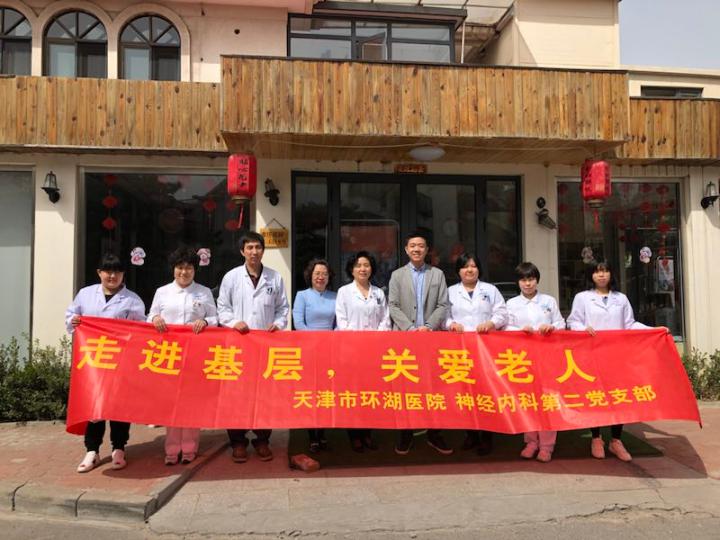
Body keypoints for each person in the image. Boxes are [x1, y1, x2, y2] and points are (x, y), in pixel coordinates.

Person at [65, 253, 146, 473]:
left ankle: (119, 448)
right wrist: (74, 321)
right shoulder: (85, 294)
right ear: (99, 273)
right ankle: (92, 450)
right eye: (108, 271)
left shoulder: (132, 300)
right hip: (93, 361)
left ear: (123, 274)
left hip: (121, 362)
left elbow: (141, 328)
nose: (112, 276)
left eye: (117, 272)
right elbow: (71, 316)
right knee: (94, 405)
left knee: (119, 406)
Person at [567, 260, 650, 462]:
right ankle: (596, 438)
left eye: (605, 271)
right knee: (595, 396)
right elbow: (573, 321)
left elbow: (630, 324)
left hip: (617, 356)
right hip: (592, 354)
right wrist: (583, 328)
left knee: (618, 397)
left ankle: (616, 440)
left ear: (611, 274)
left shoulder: (621, 298)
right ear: (591, 275)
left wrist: (654, 330)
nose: (601, 275)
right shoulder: (582, 297)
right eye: (597, 272)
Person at [217, 231, 289, 463]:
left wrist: (278, 324)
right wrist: (232, 322)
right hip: (238, 345)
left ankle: (262, 439)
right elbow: (222, 308)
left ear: (263, 250)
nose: (254, 252)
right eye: (249, 248)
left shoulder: (274, 277)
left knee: (264, 394)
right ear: (242, 251)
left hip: (265, 346)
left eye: (258, 247)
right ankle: (238, 441)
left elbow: (283, 308)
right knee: (236, 395)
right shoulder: (231, 277)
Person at [148, 247, 218, 465]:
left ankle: (189, 448)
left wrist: (204, 321)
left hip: (195, 355)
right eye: (180, 267)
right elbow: (151, 315)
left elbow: (215, 318)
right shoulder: (162, 292)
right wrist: (155, 319)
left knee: (191, 401)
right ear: (173, 269)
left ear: (195, 270)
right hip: (169, 355)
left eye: (188, 268)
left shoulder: (204, 292)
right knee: (171, 402)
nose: (184, 272)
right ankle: (171, 449)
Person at [388, 232, 451, 456]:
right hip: (404, 341)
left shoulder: (437, 274)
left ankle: (434, 433)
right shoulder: (397, 275)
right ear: (406, 250)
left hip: (430, 340)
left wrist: (429, 326)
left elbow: (443, 304)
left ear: (427, 250)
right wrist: (410, 328)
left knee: (433, 387)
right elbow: (393, 305)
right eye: (412, 246)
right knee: (405, 388)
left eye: (421, 246)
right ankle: (405, 434)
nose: (416, 249)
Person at [446, 252, 508, 455]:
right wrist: (451, 324)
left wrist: (491, 323)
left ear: (479, 269)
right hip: (460, 349)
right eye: (465, 266)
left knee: (487, 391)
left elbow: (502, 313)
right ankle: (471, 434)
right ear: (459, 271)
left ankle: (487, 436)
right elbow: (443, 316)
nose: (469, 270)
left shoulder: (490, 290)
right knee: (466, 392)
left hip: (486, 348)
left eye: (473, 266)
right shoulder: (450, 292)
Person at [505, 262, 565, 463]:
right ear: (518, 282)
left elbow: (561, 323)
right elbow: (505, 328)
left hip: (547, 357)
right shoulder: (511, 304)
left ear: (537, 280)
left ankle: (547, 445)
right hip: (522, 359)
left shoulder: (548, 301)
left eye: (531, 279)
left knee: (547, 400)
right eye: (523, 280)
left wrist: (551, 327)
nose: (527, 283)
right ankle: (531, 442)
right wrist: (521, 331)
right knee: (527, 400)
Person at [335, 251, 390, 452]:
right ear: (352, 269)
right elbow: (341, 321)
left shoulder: (379, 293)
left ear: (371, 269)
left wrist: (376, 339)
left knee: (371, 393)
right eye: (358, 265)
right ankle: (354, 435)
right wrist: (358, 340)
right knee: (353, 393)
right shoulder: (344, 292)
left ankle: (367, 433)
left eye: (366, 265)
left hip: (374, 352)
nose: (362, 269)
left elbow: (385, 319)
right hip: (352, 351)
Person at [293, 258, 337, 453]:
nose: (320, 277)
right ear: (310, 276)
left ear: (329, 277)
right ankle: (312, 435)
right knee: (311, 393)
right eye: (317, 273)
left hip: (330, 350)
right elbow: (298, 322)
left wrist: (332, 337)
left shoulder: (336, 296)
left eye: (324, 274)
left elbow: (339, 322)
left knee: (326, 393)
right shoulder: (302, 296)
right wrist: (314, 340)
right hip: (309, 350)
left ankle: (323, 433)